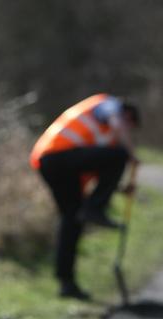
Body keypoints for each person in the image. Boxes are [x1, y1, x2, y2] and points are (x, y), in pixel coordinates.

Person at [30, 93, 139, 300]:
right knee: (119, 154)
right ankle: (95, 209)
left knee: (73, 219)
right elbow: (117, 128)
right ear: (127, 114)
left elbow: (101, 175)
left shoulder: (101, 137)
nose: (126, 132)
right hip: (56, 157)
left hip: (52, 164)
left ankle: (66, 283)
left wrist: (121, 189)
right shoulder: (109, 105)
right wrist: (131, 154)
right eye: (129, 126)